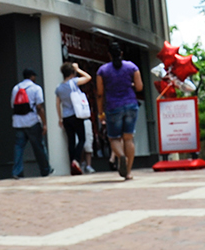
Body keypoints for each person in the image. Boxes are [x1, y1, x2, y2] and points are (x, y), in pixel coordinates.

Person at [95, 40, 142, 180]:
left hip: (113, 107)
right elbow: (139, 87)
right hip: (131, 105)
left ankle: (121, 156)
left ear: (109, 55)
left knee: (114, 138)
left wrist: (100, 112)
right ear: (121, 53)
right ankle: (128, 172)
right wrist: (130, 84)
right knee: (128, 138)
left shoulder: (102, 70)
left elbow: (100, 93)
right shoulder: (132, 67)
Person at [10, 68, 52, 179]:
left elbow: (13, 105)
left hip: (18, 122)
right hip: (32, 121)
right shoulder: (36, 88)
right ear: (32, 76)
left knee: (18, 147)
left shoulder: (16, 88)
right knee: (39, 147)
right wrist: (44, 123)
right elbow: (39, 107)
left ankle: (16, 172)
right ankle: (45, 170)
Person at [55, 61, 93, 175]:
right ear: (72, 73)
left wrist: (60, 118)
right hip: (76, 115)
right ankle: (76, 160)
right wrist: (78, 69)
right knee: (82, 138)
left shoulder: (59, 87)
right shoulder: (74, 82)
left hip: (66, 117)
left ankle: (72, 164)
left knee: (71, 141)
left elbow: (57, 104)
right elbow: (88, 77)